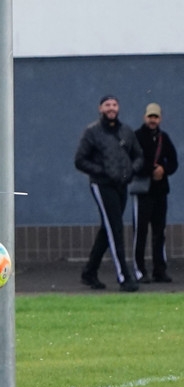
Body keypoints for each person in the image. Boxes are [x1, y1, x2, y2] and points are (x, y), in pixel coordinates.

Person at [74, 95, 144, 292]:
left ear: (118, 108)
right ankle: (124, 277)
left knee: (109, 229)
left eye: (114, 104)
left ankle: (89, 272)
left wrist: (131, 171)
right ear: (100, 108)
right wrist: (102, 172)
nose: (111, 108)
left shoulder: (126, 131)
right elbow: (80, 160)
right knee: (115, 228)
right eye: (107, 105)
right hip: (102, 185)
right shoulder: (92, 132)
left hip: (121, 185)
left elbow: (138, 156)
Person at [132, 102, 178, 283]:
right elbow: (133, 161)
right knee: (140, 232)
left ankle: (160, 270)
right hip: (143, 191)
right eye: (150, 116)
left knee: (160, 232)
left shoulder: (164, 138)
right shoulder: (136, 137)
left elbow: (173, 161)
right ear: (145, 117)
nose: (153, 120)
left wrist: (164, 170)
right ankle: (139, 270)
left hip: (160, 191)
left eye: (156, 117)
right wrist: (151, 170)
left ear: (160, 119)